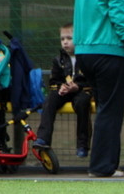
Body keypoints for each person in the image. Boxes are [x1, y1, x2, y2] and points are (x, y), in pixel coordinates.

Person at [73, 0, 124, 177]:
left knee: (105, 108)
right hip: (108, 51)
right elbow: (121, 19)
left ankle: (106, 163)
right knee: (111, 110)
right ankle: (102, 166)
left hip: (84, 52)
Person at [34, 22, 92, 158]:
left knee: (82, 103)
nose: (65, 42)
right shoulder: (58, 60)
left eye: (69, 38)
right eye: (62, 39)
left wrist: (78, 87)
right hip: (65, 92)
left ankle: (82, 145)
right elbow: (54, 81)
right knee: (50, 100)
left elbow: (92, 81)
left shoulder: (87, 58)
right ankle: (43, 138)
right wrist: (61, 88)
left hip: (81, 91)